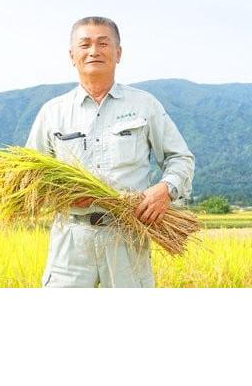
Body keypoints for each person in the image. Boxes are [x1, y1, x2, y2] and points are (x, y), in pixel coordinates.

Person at [25, 16, 195, 288]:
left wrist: (165, 189)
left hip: (127, 235)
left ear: (118, 53)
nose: (94, 51)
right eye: (85, 44)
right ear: (72, 55)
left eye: (103, 43)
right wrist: (60, 195)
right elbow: (30, 177)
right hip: (71, 241)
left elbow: (180, 158)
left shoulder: (144, 105)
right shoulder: (52, 112)